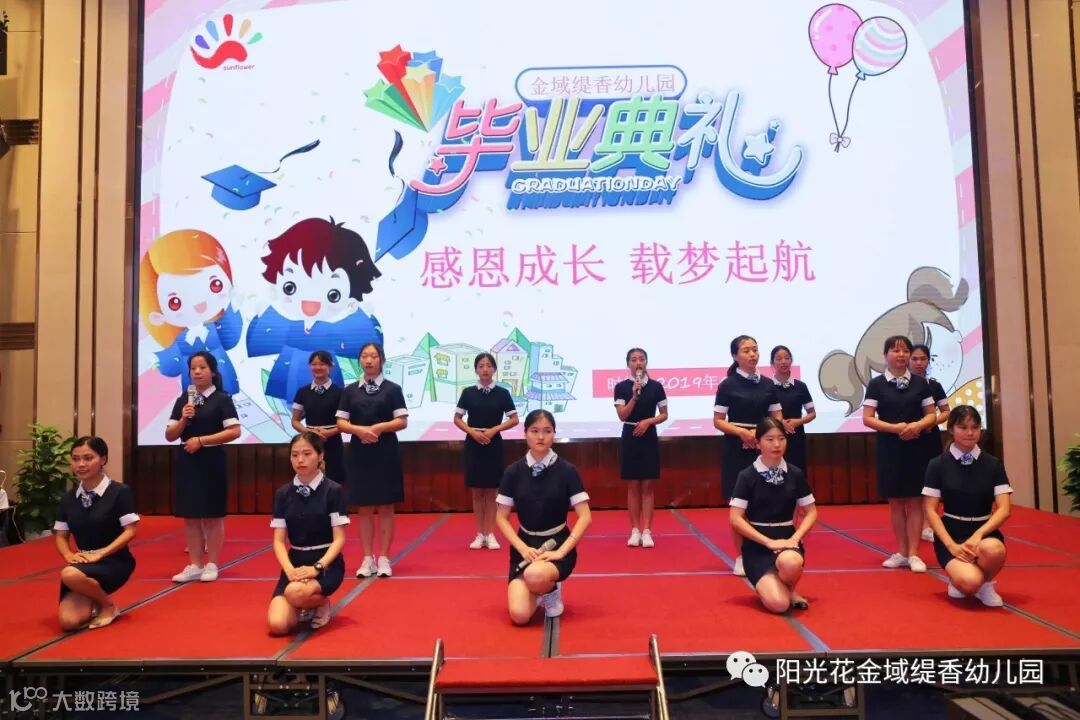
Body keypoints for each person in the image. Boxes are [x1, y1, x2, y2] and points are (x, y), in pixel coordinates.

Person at [495, 410, 592, 625]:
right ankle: (539, 589)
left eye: (547, 431)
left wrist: (561, 551)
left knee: (534, 576)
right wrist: (522, 548)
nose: (541, 437)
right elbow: (501, 517)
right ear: (525, 433)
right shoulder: (513, 472)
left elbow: (585, 516)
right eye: (535, 431)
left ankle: (550, 588)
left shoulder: (567, 470)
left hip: (556, 544)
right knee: (519, 616)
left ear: (554, 434)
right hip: (525, 548)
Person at [862, 335, 937, 573]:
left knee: (915, 501)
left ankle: (914, 554)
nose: (901, 355)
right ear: (886, 355)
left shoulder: (920, 383)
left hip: (917, 446)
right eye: (895, 350)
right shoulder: (876, 384)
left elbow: (931, 414)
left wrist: (917, 425)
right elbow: (867, 418)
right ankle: (902, 552)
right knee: (895, 502)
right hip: (889, 447)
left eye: (905, 350)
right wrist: (895, 428)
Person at [165, 351, 241, 583]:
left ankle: (212, 563)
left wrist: (202, 440)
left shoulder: (222, 399)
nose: (197, 372)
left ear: (213, 372)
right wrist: (184, 419)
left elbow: (234, 431)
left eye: (202, 367)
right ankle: (195, 564)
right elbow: (170, 435)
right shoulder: (183, 400)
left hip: (212, 462)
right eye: (193, 368)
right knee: (190, 516)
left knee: (212, 516)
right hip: (187, 462)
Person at [923, 406, 1011, 607]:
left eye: (975, 427)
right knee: (969, 583)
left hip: (984, 532)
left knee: (994, 550)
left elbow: (1004, 509)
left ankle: (986, 584)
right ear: (951, 429)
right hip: (951, 534)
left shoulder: (993, 464)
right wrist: (951, 546)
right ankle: (966, 580)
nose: (970, 433)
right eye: (963, 427)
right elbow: (930, 510)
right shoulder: (937, 465)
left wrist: (978, 535)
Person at [729, 418, 817, 613]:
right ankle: (775, 587)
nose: (776, 444)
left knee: (791, 563)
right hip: (757, 546)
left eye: (781, 438)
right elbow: (735, 518)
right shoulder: (747, 476)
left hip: (787, 542)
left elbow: (811, 512)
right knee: (779, 605)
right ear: (758, 443)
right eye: (769, 439)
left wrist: (795, 538)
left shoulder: (795, 474)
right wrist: (768, 542)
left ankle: (790, 588)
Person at [336, 342, 408, 578]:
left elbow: (402, 421)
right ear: (360, 360)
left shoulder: (392, 389)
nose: (368, 360)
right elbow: (341, 422)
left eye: (373, 356)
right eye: (364, 356)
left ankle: (384, 557)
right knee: (364, 507)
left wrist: (379, 428)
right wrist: (358, 430)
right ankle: (368, 558)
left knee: (386, 506)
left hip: (385, 451)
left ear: (382, 360)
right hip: (359, 452)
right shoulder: (350, 390)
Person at [713, 335, 782, 577]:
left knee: (765, 503)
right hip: (737, 449)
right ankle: (742, 556)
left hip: (764, 449)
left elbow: (777, 416)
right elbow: (718, 421)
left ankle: (764, 553)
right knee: (739, 505)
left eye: (755, 350)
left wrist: (765, 436)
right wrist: (742, 433)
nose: (752, 354)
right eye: (746, 351)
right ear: (735, 356)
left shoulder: (768, 384)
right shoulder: (727, 385)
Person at [267, 432, 349, 634]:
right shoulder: (283, 493)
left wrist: (317, 568)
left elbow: (339, 539)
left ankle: (320, 602)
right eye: (294, 455)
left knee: (294, 592)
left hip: (326, 563)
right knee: (277, 625)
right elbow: (278, 541)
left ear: (320, 456)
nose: (300, 460)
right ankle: (304, 602)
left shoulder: (333, 490)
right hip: (295, 563)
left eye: (307, 454)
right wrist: (290, 571)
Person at [53, 437, 139, 630]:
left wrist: (100, 554)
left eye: (88, 458)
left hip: (114, 561)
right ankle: (93, 597)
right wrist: (68, 555)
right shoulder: (68, 499)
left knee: (69, 574)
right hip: (83, 564)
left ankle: (107, 606)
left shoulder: (120, 492)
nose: (81, 464)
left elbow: (131, 531)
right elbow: (61, 536)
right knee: (68, 622)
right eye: (76, 459)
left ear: (103, 460)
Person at [453, 352, 519, 550]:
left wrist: (494, 430)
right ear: (476, 369)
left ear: (494, 369)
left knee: (491, 493)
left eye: (489, 365)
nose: (485, 369)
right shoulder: (468, 392)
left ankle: (490, 534)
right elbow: (457, 419)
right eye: (481, 366)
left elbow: (514, 419)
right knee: (477, 493)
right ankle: (479, 533)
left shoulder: (502, 393)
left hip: (493, 443)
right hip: (473, 443)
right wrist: (472, 432)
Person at [613, 347, 668, 547]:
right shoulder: (621, 387)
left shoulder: (656, 387)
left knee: (648, 486)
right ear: (628, 364)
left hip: (648, 436)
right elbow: (622, 415)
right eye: (634, 359)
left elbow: (664, 414)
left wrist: (648, 422)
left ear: (646, 362)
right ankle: (635, 530)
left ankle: (647, 531)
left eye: (642, 359)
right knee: (633, 485)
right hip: (630, 436)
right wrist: (634, 397)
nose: (638, 363)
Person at [910, 343, 952, 542]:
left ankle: (928, 525)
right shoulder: (903, 385)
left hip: (929, 437)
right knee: (913, 483)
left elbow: (946, 411)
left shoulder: (934, 386)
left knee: (930, 482)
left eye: (923, 359)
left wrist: (931, 422)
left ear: (928, 361)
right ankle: (914, 524)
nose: (919, 363)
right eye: (915, 359)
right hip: (908, 438)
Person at [291, 351, 346, 487]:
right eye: (314, 364)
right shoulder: (302, 392)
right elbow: (295, 421)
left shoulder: (341, 392)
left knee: (334, 482)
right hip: (309, 443)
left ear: (330, 366)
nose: (318, 367)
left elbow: (346, 422)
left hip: (333, 443)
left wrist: (330, 432)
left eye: (322, 364)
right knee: (309, 481)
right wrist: (309, 433)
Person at [768, 345, 816, 473]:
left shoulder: (800, 386)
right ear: (772, 363)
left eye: (787, 358)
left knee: (796, 473)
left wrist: (797, 422)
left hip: (796, 436)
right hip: (773, 436)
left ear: (791, 360)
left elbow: (812, 413)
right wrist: (780, 422)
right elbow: (762, 413)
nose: (783, 362)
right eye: (779, 359)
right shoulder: (767, 386)